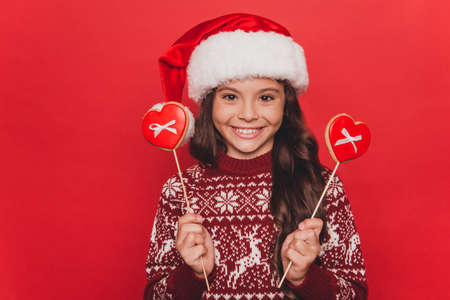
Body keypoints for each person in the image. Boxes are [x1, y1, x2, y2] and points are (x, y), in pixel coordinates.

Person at [143, 13, 368, 299]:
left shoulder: (324, 186)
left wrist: (305, 277)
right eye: (230, 96)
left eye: (265, 97)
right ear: (209, 103)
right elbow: (154, 295)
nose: (248, 115)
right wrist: (194, 275)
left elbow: (356, 294)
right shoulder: (179, 191)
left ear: (285, 104)